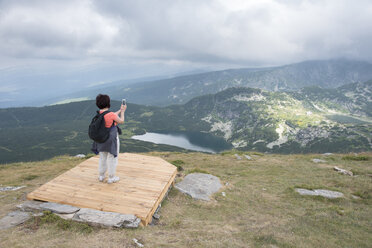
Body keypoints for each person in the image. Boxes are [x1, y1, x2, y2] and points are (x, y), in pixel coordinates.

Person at [91, 94, 126, 184]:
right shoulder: (110, 115)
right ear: (108, 103)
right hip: (111, 140)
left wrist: (119, 110)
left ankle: (101, 176)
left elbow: (110, 115)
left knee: (102, 157)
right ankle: (111, 177)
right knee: (112, 157)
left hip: (101, 139)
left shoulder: (99, 113)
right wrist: (123, 112)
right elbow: (121, 121)